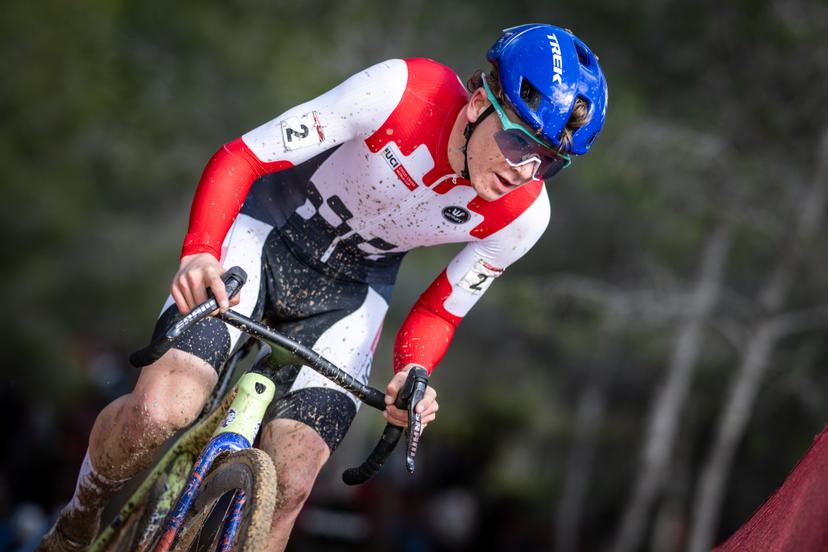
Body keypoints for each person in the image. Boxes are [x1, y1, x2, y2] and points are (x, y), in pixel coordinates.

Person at [37, 23, 607, 551]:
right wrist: (199, 253)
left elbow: (441, 312)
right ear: (481, 101)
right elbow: (241, 159)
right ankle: (80, 511)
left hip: (349, 299)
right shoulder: (399, 91)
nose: (524, 171)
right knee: (161, 412)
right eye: (517, 143)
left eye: (548, 161)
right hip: (264, 239)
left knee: (291, 481)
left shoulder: (524, 216)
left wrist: (413, 372)